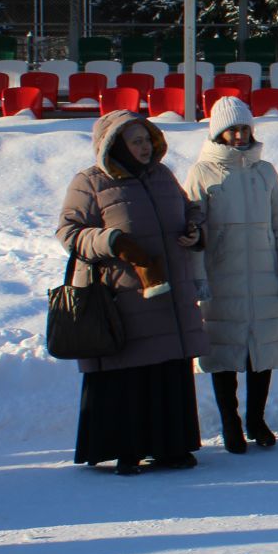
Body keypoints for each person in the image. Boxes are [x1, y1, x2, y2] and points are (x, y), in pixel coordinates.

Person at [57, 111, 209, 475]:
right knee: (131, 372)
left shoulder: (162, 176)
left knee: (168, 371)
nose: (143, 147)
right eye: (135, 141)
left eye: (146, 139)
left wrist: (194, 229)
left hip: (169, 293)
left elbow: (191, 210)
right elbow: (69, 232)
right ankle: (128, 449)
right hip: (124, 297)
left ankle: (172, 446)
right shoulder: (91, 182)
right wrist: (112, 241)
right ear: (114, 145)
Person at [184, 97, 278, 453]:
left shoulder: (266, 172)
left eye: (244, 128)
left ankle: (256, 419)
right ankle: (230, 423)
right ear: (218, 133)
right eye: (231, 129)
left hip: (264, 274)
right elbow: (193, 231)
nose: (239, 135)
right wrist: (197, 277)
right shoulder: (201, 173)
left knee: (260, 352)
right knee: (225, 353)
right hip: (223, 277)